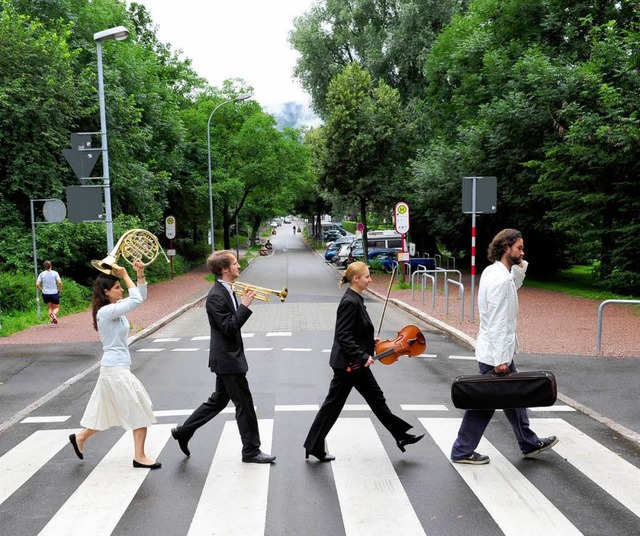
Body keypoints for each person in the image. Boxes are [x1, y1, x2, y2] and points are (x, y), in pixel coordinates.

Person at [450, 229, 558, 464]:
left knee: (514, 398)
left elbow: (514, 284)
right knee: (483, 404)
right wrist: (501, 360)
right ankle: (462, 450)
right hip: (496, 354)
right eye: (519, 248)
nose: (522, 251)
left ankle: (528, 443)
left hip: (499, 351)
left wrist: (520, 263)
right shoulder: (499, 279)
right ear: (506, 248)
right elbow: (499, 320)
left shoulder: (496, 272)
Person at [303, 261, 424, 461]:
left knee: (377, 399)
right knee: (333, 406)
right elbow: (343, 336)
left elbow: (355, 332)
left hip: (355, 365)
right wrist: (362, 355)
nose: (370, 279)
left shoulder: (356, 299)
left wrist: (369, 341)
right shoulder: (349, 302)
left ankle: (400, 436)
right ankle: (313, 445)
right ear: (356, 279)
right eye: (367, 276)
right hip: (348, 366)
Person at [171, 250, 276, 464]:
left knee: (218, 401)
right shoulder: (215, 297)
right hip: (228, 360)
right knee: (244, 404)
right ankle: (251, 451)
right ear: (224, 269)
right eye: (235, 263)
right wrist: (245, 306)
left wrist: (241, 303)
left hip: (228, 357)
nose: (238, 266)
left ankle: (183, 431)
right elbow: (229, 328)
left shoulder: (228, 290)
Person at [69, 262, 161, 469]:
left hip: (115, 368)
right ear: (106, 292)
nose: (121, 290)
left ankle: (80, 437)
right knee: (140, 410)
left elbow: (141, 297)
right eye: (118, 288)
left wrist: (139, 273)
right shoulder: (106, 312)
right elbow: (136, 299)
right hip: (115, 370)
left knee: (105, 412)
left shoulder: (112, 310)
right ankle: (140, 456)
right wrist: (126, 275)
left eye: (121, 287)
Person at [36, 260, 62, 326]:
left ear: (44, 266)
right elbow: (59, 282)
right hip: (54, 293)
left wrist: (41, 290)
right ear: (51, 265)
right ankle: (53, 315)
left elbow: (37, 284)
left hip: (45, 294)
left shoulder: (41, 274)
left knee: (50, 307)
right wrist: (60, 289)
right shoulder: (55, 273)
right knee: (57, 307)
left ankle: (53, 323)